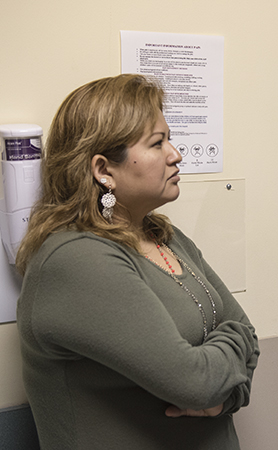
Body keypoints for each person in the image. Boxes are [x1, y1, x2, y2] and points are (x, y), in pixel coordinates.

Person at [16, 74, 259, 450]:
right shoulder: (77, 258)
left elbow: (247, 331)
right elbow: (195, 383)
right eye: (157, 143)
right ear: (103, 171)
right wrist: (222, 368)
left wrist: (226, 396)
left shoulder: (166, 237)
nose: (176, 154)